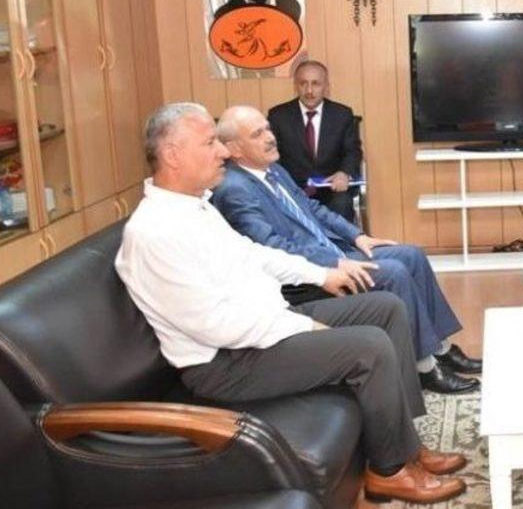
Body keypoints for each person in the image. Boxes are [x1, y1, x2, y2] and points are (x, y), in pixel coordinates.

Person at [115, 102, 467, 504]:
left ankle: (405, 445)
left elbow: (255, 254)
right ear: (173, 155)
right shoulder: (154, 233)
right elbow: (214, 326)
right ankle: (388, 471)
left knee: (385, 308)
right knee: (369, 346)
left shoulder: (194, 208)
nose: (223, 152)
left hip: (263, 325)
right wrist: (302, 327)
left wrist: (321, 275)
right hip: (226, 362)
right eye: (210, 142)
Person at [213, 105, 481, 395]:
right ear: (234, 149)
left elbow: (312, 208)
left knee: (411, 254)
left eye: (267, 128)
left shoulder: (272, 170)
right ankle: (424, 367)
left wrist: (357, 236)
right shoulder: (235, 189)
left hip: (333, 249)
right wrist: (334, 262)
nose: (270, 137)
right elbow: (273, 247)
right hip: (309, 274)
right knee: (393, 272)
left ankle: (441, 349)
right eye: (257, 134)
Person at [268, 60, 359, 219]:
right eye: (303, 83)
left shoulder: (342, 114)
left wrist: (344, 173)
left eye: (316, 84)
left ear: (326, 86)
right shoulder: (278, 116)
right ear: (296, 86)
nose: (309, 90)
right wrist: (283, 185)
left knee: (342, 203)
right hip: (293, 189)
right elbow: (272, 156)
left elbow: (352, 151)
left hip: (331, 188)